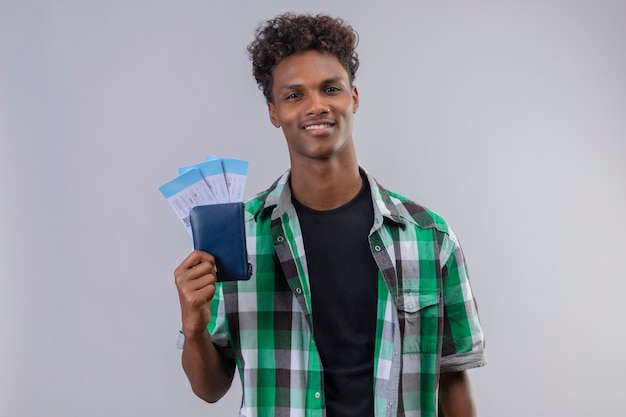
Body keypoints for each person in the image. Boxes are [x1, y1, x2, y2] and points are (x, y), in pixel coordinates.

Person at [174, 12, 486, 417]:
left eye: (330, 89)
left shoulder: (430, 238)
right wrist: (195, 327)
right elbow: (209, 389)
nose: (316, 106)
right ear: (273, 113)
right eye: (294, 95)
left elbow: (452, 379)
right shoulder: (238, 238)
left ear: (353, 97)